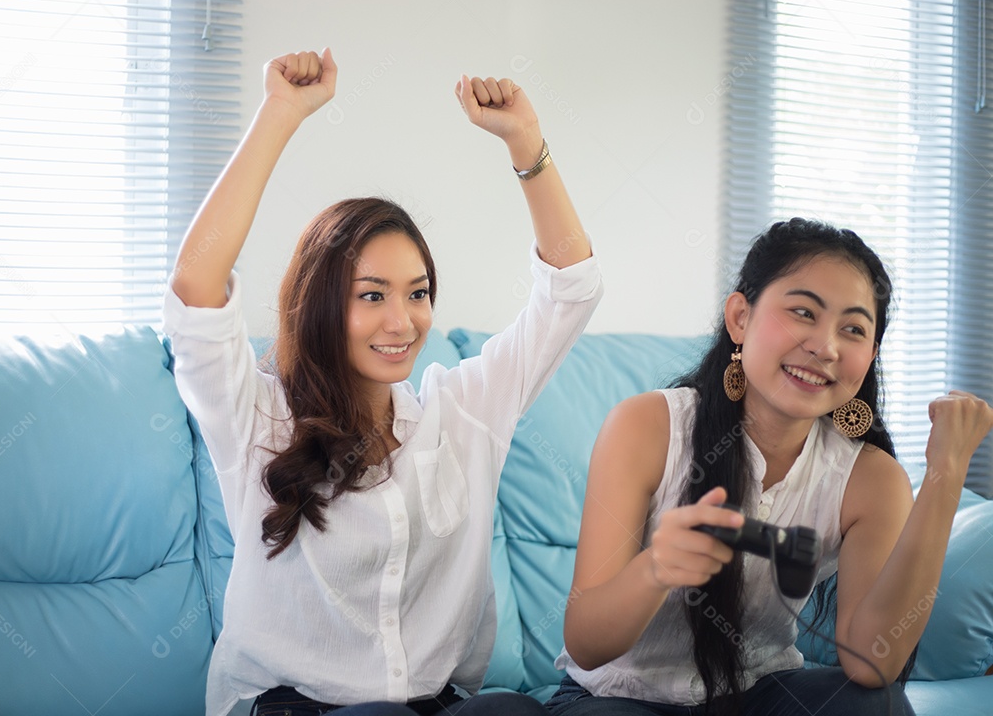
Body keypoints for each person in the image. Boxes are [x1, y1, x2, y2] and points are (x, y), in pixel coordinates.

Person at [163, 48, 601, 716]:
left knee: (513, 711)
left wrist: (526, 143)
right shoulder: (258, 418)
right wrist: (281, 114)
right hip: (292, 707)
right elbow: (196, 284)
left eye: (418, 293)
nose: (403, 321)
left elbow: (570, 291)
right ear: (322, 303)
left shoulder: (461, 414)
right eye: (372, 296)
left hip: (434, 705)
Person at [547, 218, 993, 716]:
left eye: (853, 329)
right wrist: (656, 569)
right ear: (740, 317)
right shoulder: (647, 426)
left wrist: (946, 474)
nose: (826, 347)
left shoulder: (870, 478)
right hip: (617, 696)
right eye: (803, 312)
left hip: (758, 696)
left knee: (873, 705)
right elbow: (585, 643)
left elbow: (872, 662)